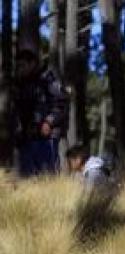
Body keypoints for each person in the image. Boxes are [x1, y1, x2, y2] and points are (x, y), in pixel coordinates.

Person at [13, 44, 67, 177]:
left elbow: (61, 103)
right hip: (27, 139)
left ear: (32, 64)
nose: (21, 69)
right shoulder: (21, 85)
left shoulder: (47, 79)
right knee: (27, 179)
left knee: (46, 176)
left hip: (46, 138)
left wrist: (49, 122)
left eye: (23, 65)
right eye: (18, 66)